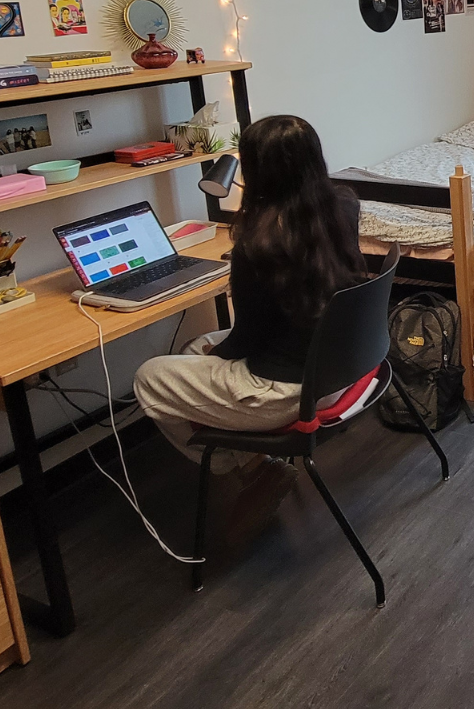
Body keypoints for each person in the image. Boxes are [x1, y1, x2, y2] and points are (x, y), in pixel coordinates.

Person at [134, 115, 365, 485]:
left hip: (289, 390)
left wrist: (214, 357)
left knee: (148, 377)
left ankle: (245, 469)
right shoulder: (343, 207)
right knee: (195, 348)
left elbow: (244, 341)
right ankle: (253, 461)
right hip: (342, 366)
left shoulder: (259, 245)